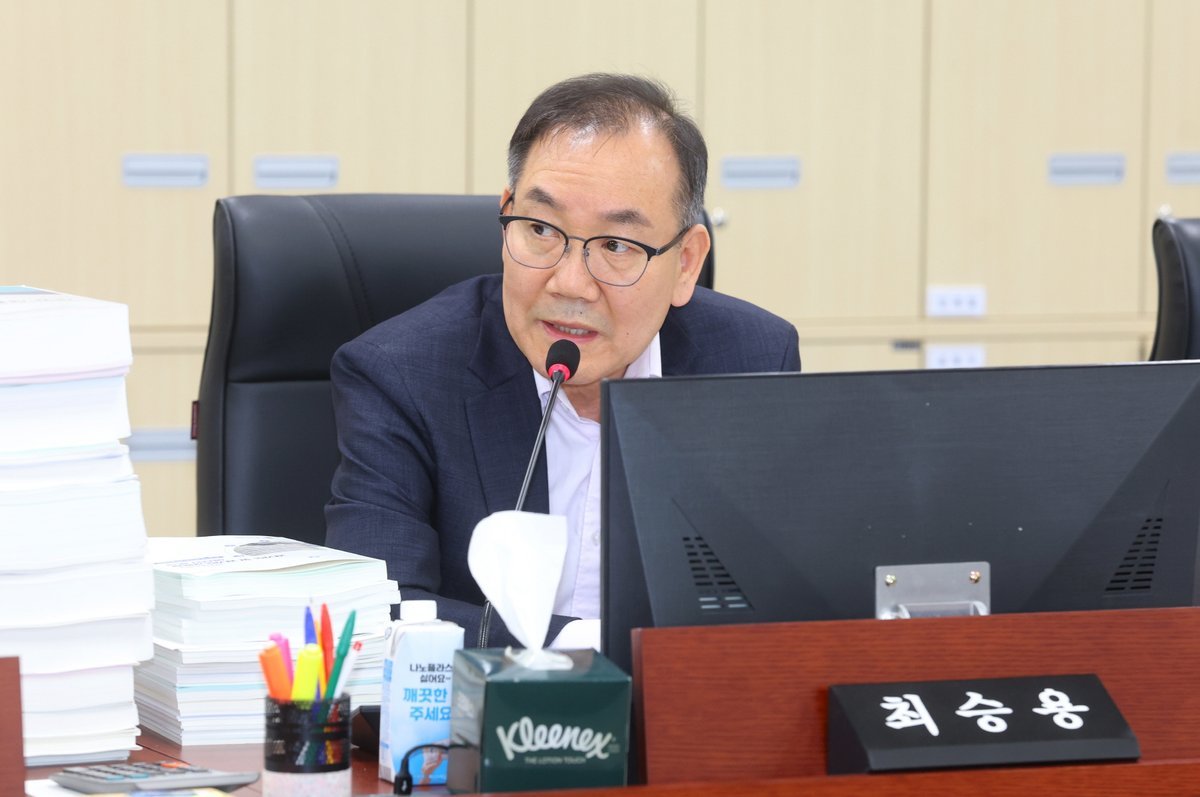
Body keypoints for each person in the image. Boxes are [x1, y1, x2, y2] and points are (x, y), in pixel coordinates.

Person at [324, 73, 800, 647]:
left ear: (687, 263)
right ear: (506, 218)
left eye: (617, 245)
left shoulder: (750, 359)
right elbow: (381, 612)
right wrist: (594, 649)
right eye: (541, 229)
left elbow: (782, 599)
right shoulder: (402, 373)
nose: (570, 283)